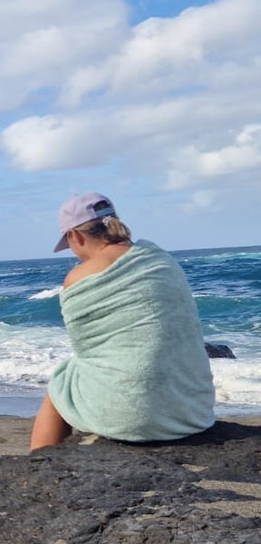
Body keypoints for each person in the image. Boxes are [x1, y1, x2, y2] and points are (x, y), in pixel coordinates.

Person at [30, 193, 216, 451]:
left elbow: (86, 351)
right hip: (192, 412)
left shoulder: (79, 276)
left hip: (130, 417)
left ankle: (40, 465)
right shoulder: (160, 258)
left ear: (76, 236)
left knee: (62, 382)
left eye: (70, 243)